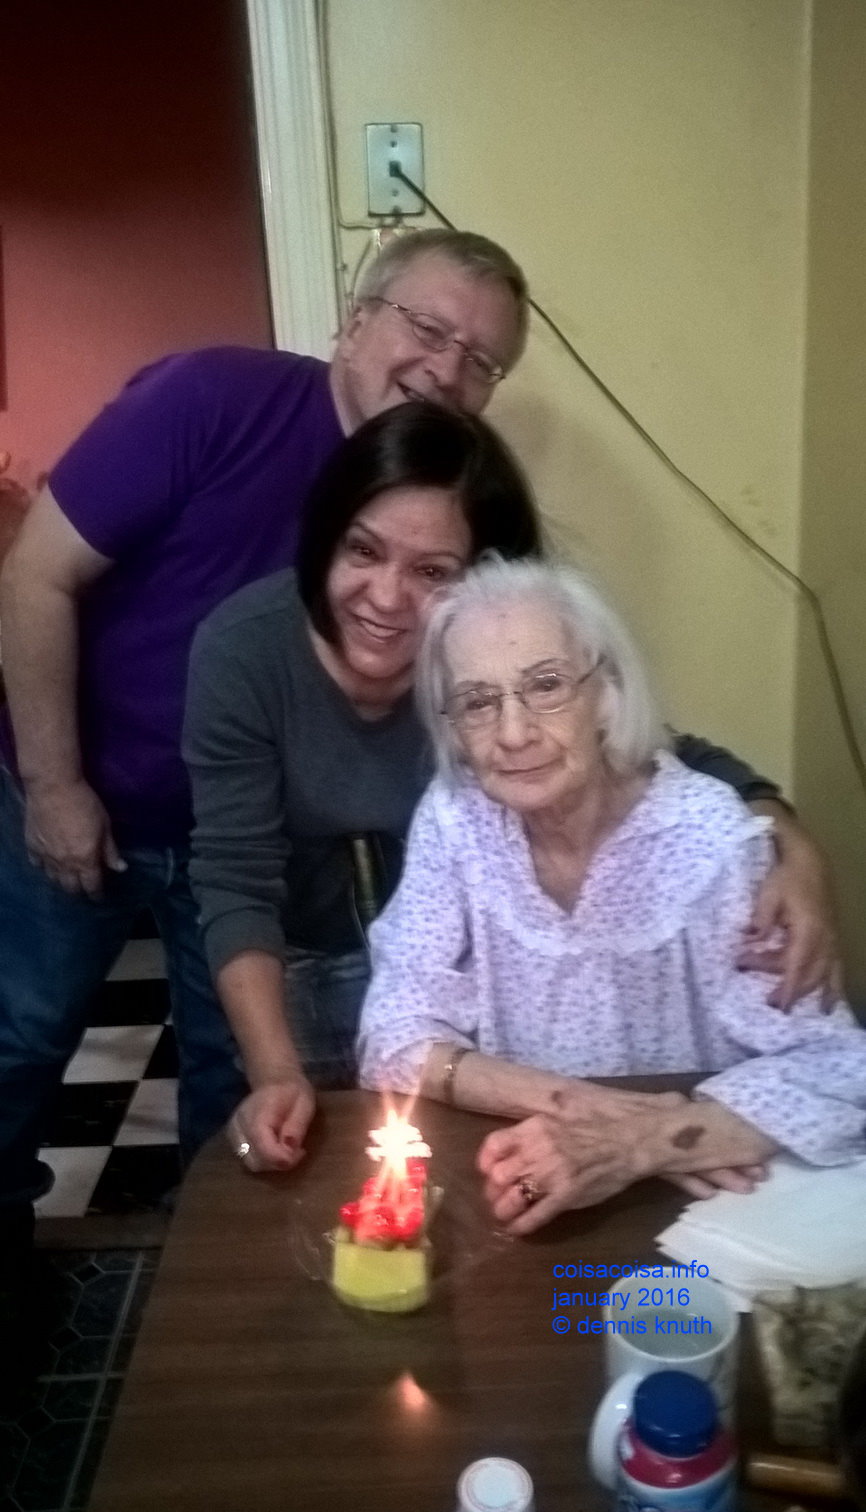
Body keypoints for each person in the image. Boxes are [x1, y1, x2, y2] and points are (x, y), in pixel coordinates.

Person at [0, 227, 833, 1228]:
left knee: (232, 1081)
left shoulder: (477, 644)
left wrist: (772, 827)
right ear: (355, 321)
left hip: (258, 864)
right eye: (427, 327)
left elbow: (631, 739)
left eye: (479, 360)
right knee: (21, 1035)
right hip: (87, 786)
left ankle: (219, 1245)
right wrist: (55, 784)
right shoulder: (213, 414)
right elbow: (35, 576)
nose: (445, 366)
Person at [357, 558, 866, 1235]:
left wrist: (641, 1144)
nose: (513, 733)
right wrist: (575, 1107)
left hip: (702, 1212)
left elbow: (841, 1072)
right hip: (521, 1173)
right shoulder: (457, 819)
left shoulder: (711, 836)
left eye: (546, 686)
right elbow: (390, 1033)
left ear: (609, 695)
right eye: (479, 701)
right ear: (452, 726)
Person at [182, 400, 541, 1173]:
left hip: (459, 962)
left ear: (484, 579)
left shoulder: (502, 645)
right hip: (295, 952)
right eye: (363, 551)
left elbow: (635, 750)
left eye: (432, 572)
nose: (385, 597)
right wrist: (274, 1071)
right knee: (286, 1172)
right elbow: (236, 881)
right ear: (325, 540)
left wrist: (768, 816)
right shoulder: (243, 649)